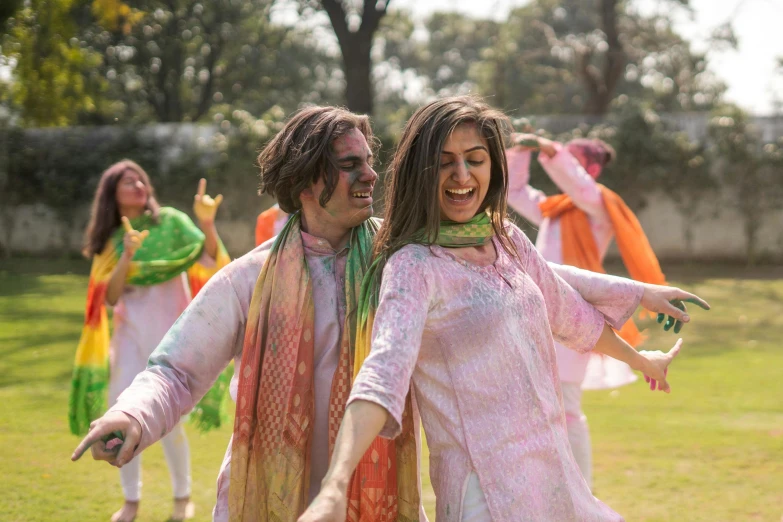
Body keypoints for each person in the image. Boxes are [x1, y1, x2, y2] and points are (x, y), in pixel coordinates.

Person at [72, 106, 704, 522]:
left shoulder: (403, 252)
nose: (371, 175)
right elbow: (177, 368)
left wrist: (635, 295)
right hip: (273, 489)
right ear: (304, 182)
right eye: (350, 166)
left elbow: (532, 278)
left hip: (376, 489)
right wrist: (130, 415)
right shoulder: (253, 277)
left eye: (370, 161)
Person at [299, 96, 709, 522]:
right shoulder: (414, 265)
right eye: (445, 162)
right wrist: (335, 486)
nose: (462, 175)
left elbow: (571, 315)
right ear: (421, 171)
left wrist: (642, 360)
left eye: (475, 159)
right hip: (485, 494)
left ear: (492, 166)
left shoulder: (506, 239)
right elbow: (383, 372)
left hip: (553, 476)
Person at [504, 133, 704, 489]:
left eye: (574, 158)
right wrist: (521, 151)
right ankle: (543, 489)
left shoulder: (599, 205)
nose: (563, 161)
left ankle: (582, 492)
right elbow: (514, 191)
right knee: (530, 405)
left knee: (566, 407)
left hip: (575, 316)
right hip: (534, 314)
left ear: (592, 169)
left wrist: (551, 151)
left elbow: (580, 187)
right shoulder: (555, 208)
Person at [69, 160, 230, 522]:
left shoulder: (171, 221)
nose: (139, 184)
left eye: (141, 178)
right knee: (118, 416)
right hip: (130, 338)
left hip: (172, 336)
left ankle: (181, 498)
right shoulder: (111, 240)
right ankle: (131, 502)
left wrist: (205, 222)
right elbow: (110, 296)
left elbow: (209, 256)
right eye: (128, 181)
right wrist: (126, 254)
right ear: (113, 193)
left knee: (170, 423)